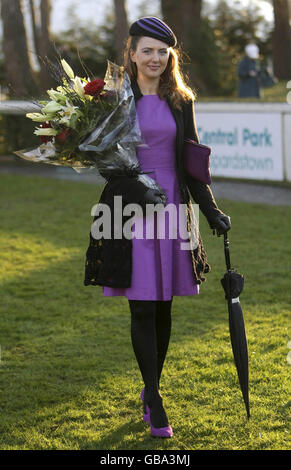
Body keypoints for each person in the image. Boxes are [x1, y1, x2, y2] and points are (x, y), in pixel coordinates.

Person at [84, 16, 231, 438]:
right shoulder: (113, 97)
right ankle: (155, 396)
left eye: (162, 51)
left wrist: (211, 210)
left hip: (173, 206)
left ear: (171, 56)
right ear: (130, 53)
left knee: (163, 303)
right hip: (129, 210)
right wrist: (133, 186)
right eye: (146, 50)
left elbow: (191, 162)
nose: (155, 58)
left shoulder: (180, 99)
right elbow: (103, 160)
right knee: (142, 304)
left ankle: (151, 390)